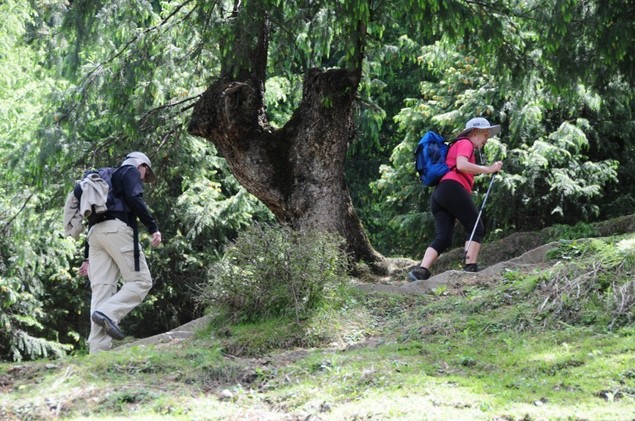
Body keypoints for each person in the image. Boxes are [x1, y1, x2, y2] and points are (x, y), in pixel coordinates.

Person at [77, 152, 162, 353]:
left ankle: (98, 351)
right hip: (117, 230)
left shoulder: (105, 181)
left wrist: (87, 257)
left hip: (96, 236)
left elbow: (93, 218)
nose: (143, 178)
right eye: (145, 173)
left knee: (102, 291)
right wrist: (153, 227)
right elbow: (134, 197)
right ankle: (108, 312)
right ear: (142, 166)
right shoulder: (129, 170)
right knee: (141, 281)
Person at [408, 117, 503, 281]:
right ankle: (470, 268)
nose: (486, 140)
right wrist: (489, 169)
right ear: (475, 132)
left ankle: (420, 271)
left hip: (440, 194)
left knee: (443, 238)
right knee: (476, 227)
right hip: (451, 188)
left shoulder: (456, 145)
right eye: (485, 135)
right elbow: (461, 165)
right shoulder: (466, 143)